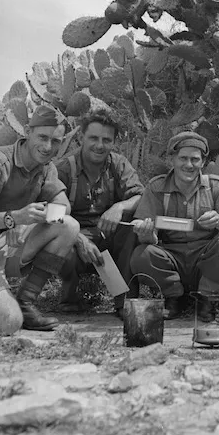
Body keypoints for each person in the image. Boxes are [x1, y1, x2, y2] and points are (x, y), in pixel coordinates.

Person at [0, 106, 79, 333]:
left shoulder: (46, 168)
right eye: (42, 137)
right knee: (8, 324)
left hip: (5, 245)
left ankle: (26, 301)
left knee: (68, 226)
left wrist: (25, 222)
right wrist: (13, 218)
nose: (47, 147)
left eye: (56, 141)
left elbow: (63, 209)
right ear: (27, 131)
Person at [128, 131, 219, 322]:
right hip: (171, 258)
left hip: (205, 260)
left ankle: (207, 298)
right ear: (172, 159)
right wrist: (146, 232)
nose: (189, 165)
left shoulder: (217, 186)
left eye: (195, 159)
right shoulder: (156, 187)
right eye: (183, 158)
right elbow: (150, 240)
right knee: (141, 255)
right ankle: (174, 296)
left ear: (203, 162)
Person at [54, 109, 144, 316]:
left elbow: (140, 196)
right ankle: (69, 298)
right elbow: (51, 215)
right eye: (93, 138)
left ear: (113, 142)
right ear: (81, 137)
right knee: (63, 247)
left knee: (131, 228)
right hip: (75, 235)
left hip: (107, 232)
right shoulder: (64, 169)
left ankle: (125, 303)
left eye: (107, 140)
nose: (100, 145)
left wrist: (119, 207)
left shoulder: (119, 164)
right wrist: (77, 239)